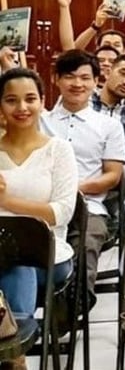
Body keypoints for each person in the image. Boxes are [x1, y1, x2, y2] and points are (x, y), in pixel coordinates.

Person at [0, 69, 78, 370]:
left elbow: (61, 212)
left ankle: (14, 357)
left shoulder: (59, 150)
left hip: (49, 256)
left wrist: (7, 202)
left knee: (20, 259)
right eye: (11, 100)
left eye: (30, 99)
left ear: (43, 102)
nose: (22, 108)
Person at [44, 50, 125, 306]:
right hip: (41, 205)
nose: (77, 84)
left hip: (88, 205)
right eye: (70, 77)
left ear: (95, 82)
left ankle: (74, 305)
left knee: (87, 241)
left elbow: (113, 175)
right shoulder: (39, 121)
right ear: (56, 79)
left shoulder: (108, 126)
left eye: (84, 77)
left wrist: (71, 189)